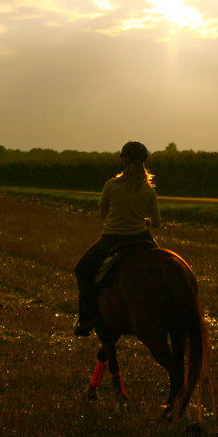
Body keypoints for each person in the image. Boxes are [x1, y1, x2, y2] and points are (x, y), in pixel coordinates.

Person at [72, 140, 162, 337]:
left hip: (112, 239)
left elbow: (104, 214)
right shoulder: (149, 190)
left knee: (82, 270)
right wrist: (142, 221)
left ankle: (87, 319)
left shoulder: (111, 185)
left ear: (124, 161)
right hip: (142, 238)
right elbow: (156, 222)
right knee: (163, 267)